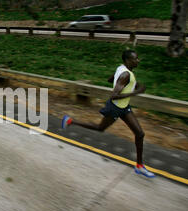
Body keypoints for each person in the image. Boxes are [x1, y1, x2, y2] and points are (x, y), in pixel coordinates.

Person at [61, 50, 155, 178]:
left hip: (124, 107)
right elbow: (115, 95)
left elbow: (110, 79)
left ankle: (139, 166)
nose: (138, 60)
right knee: (100, 128)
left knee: (140, 133)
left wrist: (133, 86)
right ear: (128, 60)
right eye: (135, 58)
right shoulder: (125, 74)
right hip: (115, 108)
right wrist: (135, 93)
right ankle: (70, 121)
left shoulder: (122, 69)